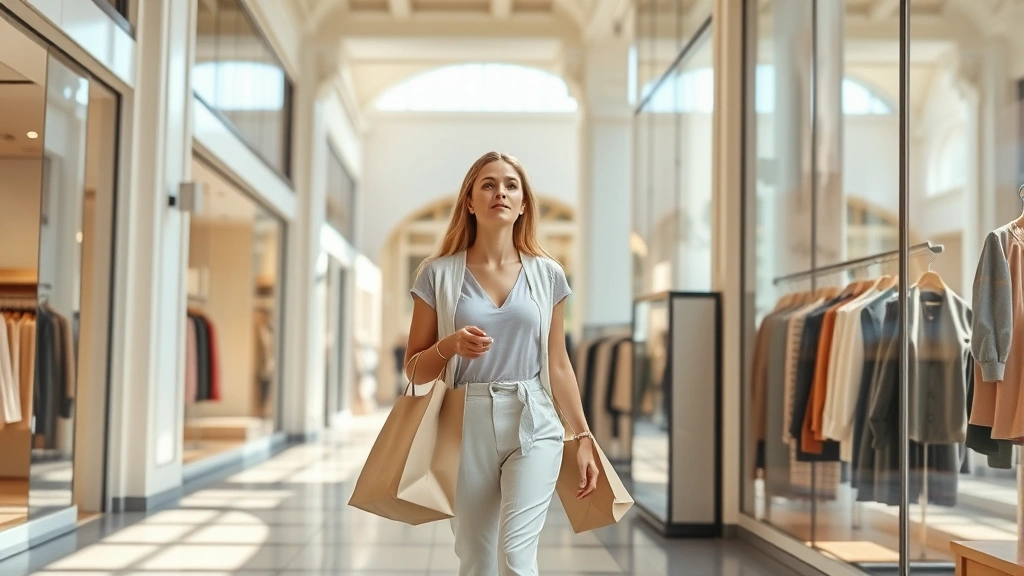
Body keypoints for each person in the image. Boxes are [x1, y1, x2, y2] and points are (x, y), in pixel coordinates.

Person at [404, 151, 598, 576]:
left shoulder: (548, 275)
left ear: (524, 203)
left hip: (535, 418)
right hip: (465, 419)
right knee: (476, 559)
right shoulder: (437, 275)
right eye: (488, 185)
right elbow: (414, 370)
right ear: (469, 202)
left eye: (511, 185)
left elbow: (558, 362)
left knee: (514, 556)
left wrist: (582, 435)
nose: (501, 193)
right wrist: (449, 346)